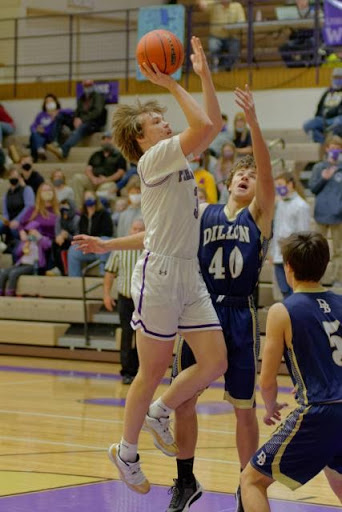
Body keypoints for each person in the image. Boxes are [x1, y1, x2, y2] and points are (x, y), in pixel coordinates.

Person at [72, 36, 227, 494]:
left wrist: (109, 242)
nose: (164, 122)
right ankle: (126, 450)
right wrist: (181, 82)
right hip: (159, 276)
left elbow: (212, 122)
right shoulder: (157, 157)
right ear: (140, 139)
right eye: (156, 121)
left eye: (163, 118)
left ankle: (161, 411)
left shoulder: (175, 160)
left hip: (185, 272)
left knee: (215, 361)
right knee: (151, 370)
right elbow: (207, 126)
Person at [167, 86, 274, 512]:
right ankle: (185, 479)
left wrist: (253, 124)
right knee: (184, 399)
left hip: (240, 313)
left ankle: (247, 486)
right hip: (199, 309)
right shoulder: (204, 211)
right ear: (228, 182)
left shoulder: (259, 215)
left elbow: (266, 175)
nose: (246, 177)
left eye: (251, 175)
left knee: (243, 409)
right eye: (240, 174)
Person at [241, 231, 342, 511]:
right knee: (337, 476)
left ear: (288, 267)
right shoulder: (341, 303)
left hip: (320, 412)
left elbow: (268, 377)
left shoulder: (282, 310)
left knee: (251, 481)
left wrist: (270, 404)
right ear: (325, 265)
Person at [103, 217, 145, 385]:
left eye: (140, 229)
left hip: (144, 300)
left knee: (143, 336)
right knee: (127, 334)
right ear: (129, 231)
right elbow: (109, 273)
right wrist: (106, 294)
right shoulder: (120, 249)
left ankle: (142, 370)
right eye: (134, 229)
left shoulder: (151, 248)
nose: (136, 232)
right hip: (125, 298)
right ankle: (127, 371)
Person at [271, 171, 311, 298]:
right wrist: (273, 252)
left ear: (290, 184)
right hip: (279, 255)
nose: (278, 188)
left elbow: (303, 233)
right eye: (276, 185)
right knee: (284, 291)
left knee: (294, 291)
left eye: (281, 184)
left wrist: (298, 254)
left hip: (293, 255)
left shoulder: (301, 205)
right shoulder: (280, 203)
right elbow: (276, 230)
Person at [309, 135, 342, 287]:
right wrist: (323, 178)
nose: (334, 150)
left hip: (339, 215)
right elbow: (313, 189)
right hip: (321, 214)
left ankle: (338, 280)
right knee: (318, 249)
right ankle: (316, 278)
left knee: (338, 250)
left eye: (338, 147)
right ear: (327, 148)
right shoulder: (318, 168)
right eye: (332, 147)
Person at [47, 79, 107, 159]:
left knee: (83, 127)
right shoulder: (81, 98)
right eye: (86, 86)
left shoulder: (98, 97)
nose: (88, 87)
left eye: (89, 85)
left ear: (93, 86)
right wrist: (75, 119)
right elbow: (77, 111)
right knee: (60, 116)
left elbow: (97, 112)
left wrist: (82, 119)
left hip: (93, 123)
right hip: (81, 121)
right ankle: (55, 142)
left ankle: (63, 150)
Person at [71, 131, 127, 208]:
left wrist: (106, 180)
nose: (107, 140)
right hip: (93, 181)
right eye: (104, 138)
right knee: (77, 178)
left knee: (107, 187)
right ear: (101, 141)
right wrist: (93, 178)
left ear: (114, 141)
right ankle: (78, 209)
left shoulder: (119, 156)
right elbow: (88, 169)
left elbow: (120, 173)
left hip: (108, 182)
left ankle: (98, 211)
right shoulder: (95, 154)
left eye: (109, 138)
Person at [67, 190, 112, 277]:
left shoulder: (104, 214)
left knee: (105, 240)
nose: (89, 199)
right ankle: (74, 278)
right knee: (72, 250)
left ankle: (103, 275)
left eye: (90, 197)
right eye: (86, 198)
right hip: (88, 246)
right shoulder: (83, 216)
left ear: (95, 199)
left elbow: (108, 232)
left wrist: (94, 240)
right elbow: (81, 233)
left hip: (99, 243)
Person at [0, 225, 52, 296]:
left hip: (32, 265)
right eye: (29, 231)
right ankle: (1, 291)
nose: (31, 233)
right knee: (3, 272)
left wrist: (39, 237)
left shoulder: (41, 241)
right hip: (21, 264)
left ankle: (10, 292)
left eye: (33, 231)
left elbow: (48, 245)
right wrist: (23, 244)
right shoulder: (26, 241)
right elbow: (16, 253)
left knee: (14, 273)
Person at [198, 0, 246, 72]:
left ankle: (229, 69)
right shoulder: (214, 5)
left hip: (232, 37)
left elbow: (242, 22)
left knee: (235, 47)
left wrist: (232, 27)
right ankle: (215, 69)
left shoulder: (237, 6)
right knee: (213, 47)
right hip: (216, 36)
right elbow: (203, 5)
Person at [29, 93, 73, 161]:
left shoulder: (60, 113)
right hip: (42, 137)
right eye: (47, 102)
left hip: (53, 135)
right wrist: (37, 129)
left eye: (51, 101)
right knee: (34, 134)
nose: (49, 103)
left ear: (55, 102)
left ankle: (40, 150)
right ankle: (39, 150)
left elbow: (71, 111)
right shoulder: (41, 115)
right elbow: (32, 126)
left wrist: (58, 112)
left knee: (35, 138)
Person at [303, 67, 342, 144]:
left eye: (339, 78)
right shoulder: (327, 92)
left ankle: (335, 141)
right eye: (335, 77)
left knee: (339, 122)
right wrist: (318, 117)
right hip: (323, 119)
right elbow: (319, 107)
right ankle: (325, 142)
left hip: (337, 118)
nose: (337, 80)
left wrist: (330, 112)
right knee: (308, 125)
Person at [279, 0, 322, 69]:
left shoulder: (315, 10)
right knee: (284, 48)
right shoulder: (292, 12)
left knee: (311, 43)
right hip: (298, 37)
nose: (300, 1)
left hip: (311, 36)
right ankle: (296, 67)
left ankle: (312, 66)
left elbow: (321, 24)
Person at [0, 167, 35, 246]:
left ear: (20, 177)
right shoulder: (7, 194)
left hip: (23, 222)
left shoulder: (26, 189)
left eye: (16, 176)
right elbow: (5, 213)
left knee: (14, 227)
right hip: (10, 222)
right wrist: (6, 220)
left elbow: (29, 207)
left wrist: (17, 220)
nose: (13, 178)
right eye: (11, 176)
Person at [47, 198, 80, 276]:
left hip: (73, 241)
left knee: (65, 248)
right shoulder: (59, 219)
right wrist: (59, 237)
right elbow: (57, 232)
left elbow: (78, 236)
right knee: (55, 244)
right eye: (62, 208)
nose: (64, 211)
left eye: (66, 209)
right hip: (62, 241)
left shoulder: (77, 219)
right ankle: (59, 269)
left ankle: (65, 271)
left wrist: (67, 236)